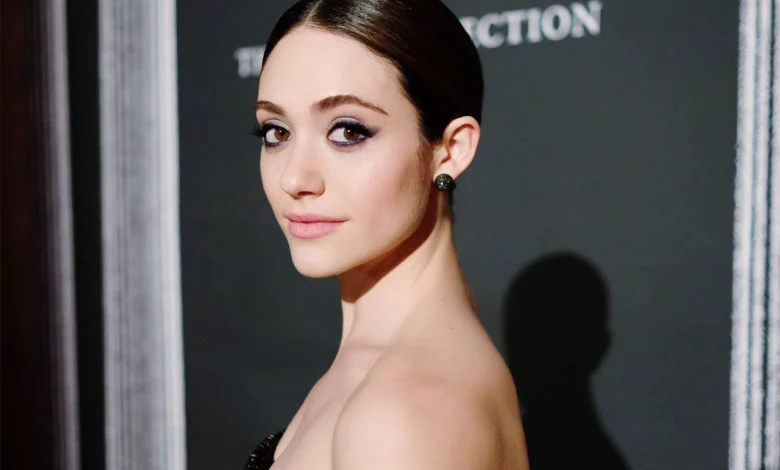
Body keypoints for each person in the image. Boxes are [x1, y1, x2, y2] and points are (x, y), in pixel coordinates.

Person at [244, 1, 529, 469]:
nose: (294, 178)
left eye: (347, 131)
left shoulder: (401, 416)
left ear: (450, 149)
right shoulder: (396, 371)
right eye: (276, 132)